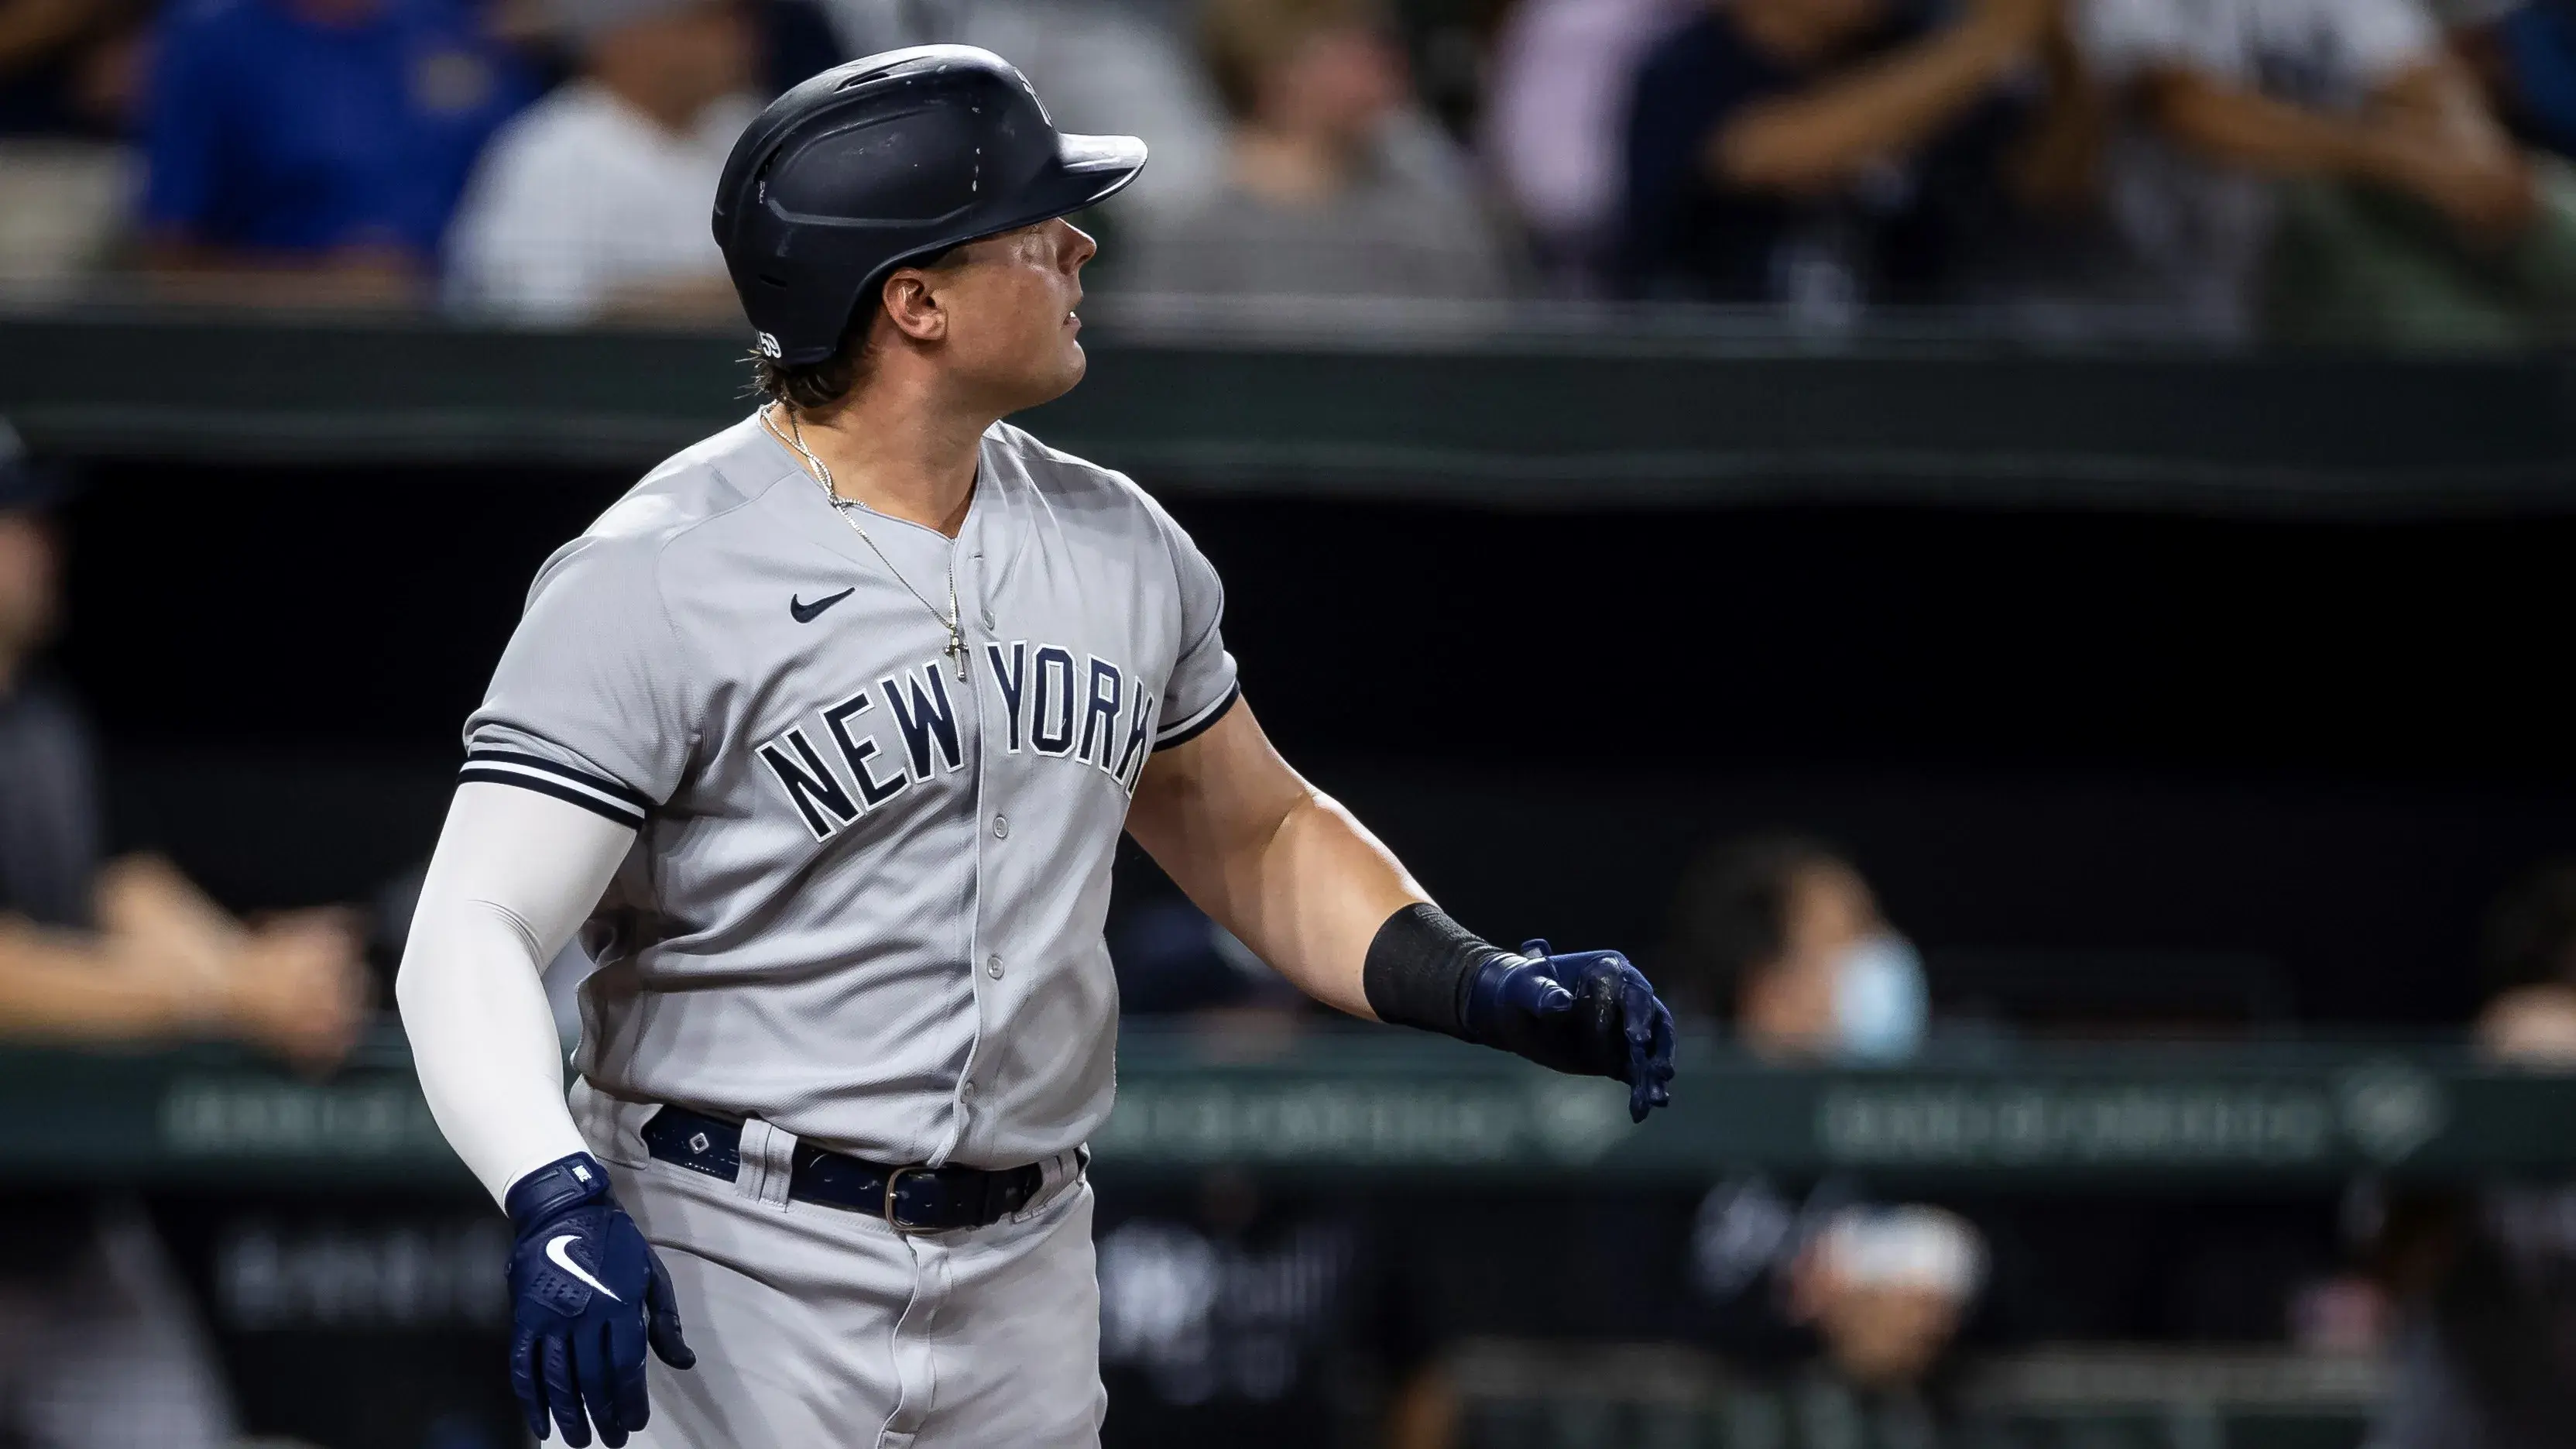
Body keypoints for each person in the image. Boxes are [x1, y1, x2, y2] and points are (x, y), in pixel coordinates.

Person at [393, 44, 1676, 1449]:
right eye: (1034, 227)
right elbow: (473, 925)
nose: (1079, 243)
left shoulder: (1119, 541)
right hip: (725, 1257)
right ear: (915, 300)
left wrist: (1473, 979)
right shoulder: (655, 572)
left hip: (1026, 1267)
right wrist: (549, 1187)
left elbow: (1252, 831)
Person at [0, 422, 371, 1447]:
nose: (42, 540)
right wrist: (222, 994)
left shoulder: (41, 718)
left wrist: (258, 971)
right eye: (13, 519)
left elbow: (125, 886)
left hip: (56, 1226)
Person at [1663, 836, 1981, 1423]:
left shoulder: (1938, 1106)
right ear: (1772, 990)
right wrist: (1812, 1327)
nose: (1888, 955)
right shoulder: (1663, 1122)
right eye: (1855, 935)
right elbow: (1634, 1319)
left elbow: (2030, 1293)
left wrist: (1932, 1318)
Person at [2077, 0, 2576, 343]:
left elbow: (2416, 71)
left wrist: (2471, 155)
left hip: (2366, 204)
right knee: (2480, 342)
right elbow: (2183, 107)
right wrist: (2396, 156)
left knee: (2540, 199)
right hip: (2249, 264)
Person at [1618, 0, 2060, 311]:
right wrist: (1990, 41)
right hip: (1719, 392)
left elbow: (2051, 181)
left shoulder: (1914, 46)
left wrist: (2054, 36)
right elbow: (1789, 153)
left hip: (1908, 389)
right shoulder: (1686, 67)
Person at [137, 0, 533, 304]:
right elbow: (168, 268)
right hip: (288, 356)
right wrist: (320, 289)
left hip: (471, 335)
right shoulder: (215, 48)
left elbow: (529, 172)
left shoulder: (449, 32)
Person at [1123, 0, 1513, 302]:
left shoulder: (1435, 217)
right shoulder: (1195, 230)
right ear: (1276, 69)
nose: (1382, 62)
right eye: (1349, 45)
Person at [446, 0, 760, 324]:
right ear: (627, 37)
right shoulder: (549, 153)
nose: (737, 40)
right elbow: (531, 311)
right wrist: (709, 301)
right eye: (702, 25)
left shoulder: (752, 131)